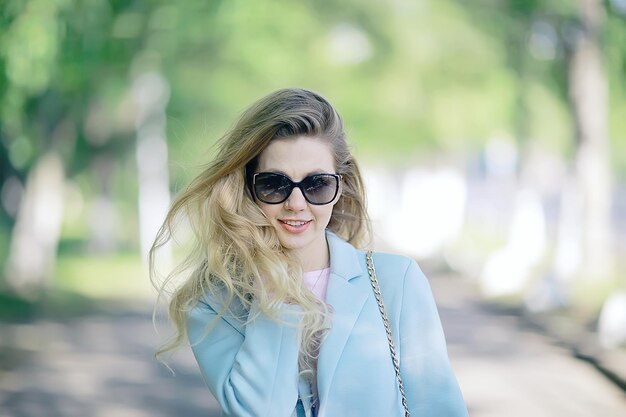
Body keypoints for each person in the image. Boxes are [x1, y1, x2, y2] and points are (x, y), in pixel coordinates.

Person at [150, 88, 469, 417]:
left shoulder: (397, 281)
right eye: (274, 184)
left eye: (317, 184)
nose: (296, 204)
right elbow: (260, 411)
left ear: (339, 186)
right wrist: (274, 294)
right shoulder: (213, 302)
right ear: (247, 187)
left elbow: (439, 407)